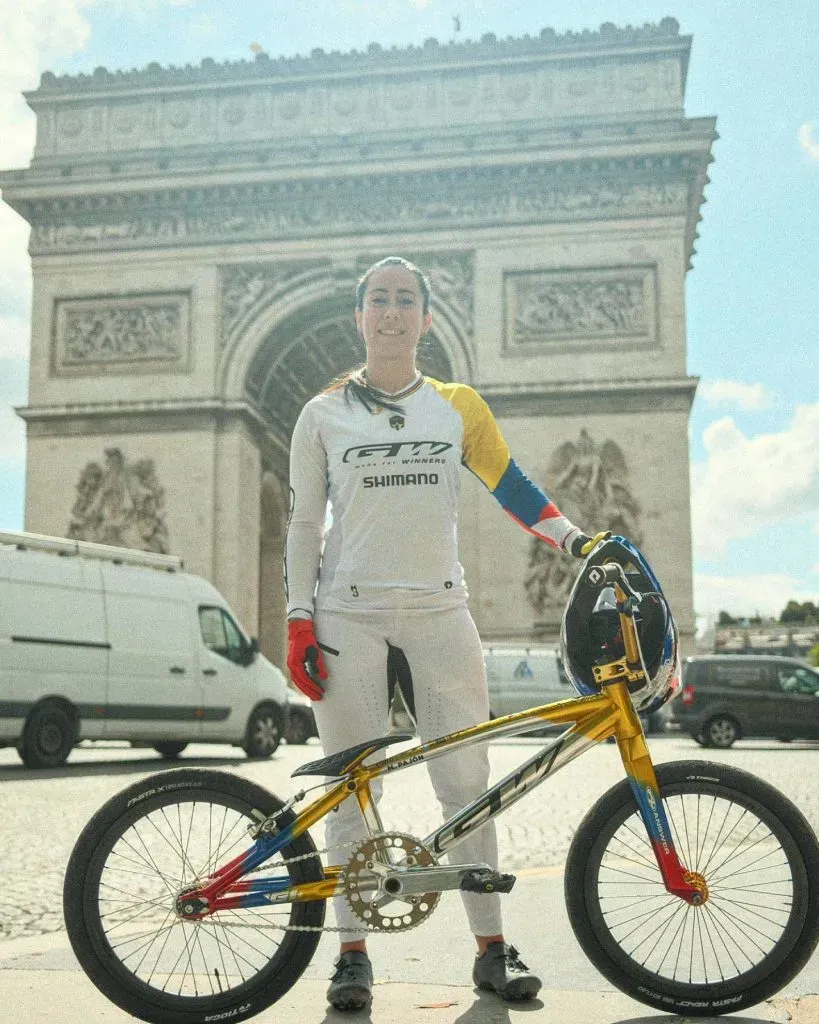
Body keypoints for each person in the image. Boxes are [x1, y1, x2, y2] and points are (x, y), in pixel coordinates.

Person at [285, 256, 607, 1012]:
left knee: (468, 786)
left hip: (439, 611)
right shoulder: (319, 413)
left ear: (425, 319)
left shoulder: (458, 406)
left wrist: (576, 542)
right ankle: (352, 956)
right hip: (348, 615)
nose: (390, 313)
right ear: (358, 317)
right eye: (377, 301)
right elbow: (302, 522)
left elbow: (512, 485)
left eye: (404, 301)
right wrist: (299, 615)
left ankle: (491, 949)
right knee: (350, 793)